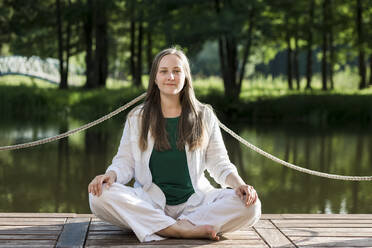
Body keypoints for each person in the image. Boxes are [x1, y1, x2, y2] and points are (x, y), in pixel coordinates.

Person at [88, 47, 261, 243]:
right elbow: (125, 162)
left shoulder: (204, 115)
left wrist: (240, 185)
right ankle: (179, 230)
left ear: (186, 76)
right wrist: (110, 176)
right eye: (163, 71)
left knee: (251, 206)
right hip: (149, 201)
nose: (170, 76)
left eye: (177, 71)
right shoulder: (137, 117)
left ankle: (166, 226)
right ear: (155, 77)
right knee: (98, 196)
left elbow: (219, 163)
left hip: (196, 203)